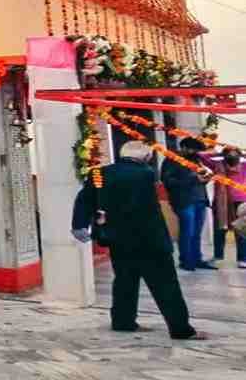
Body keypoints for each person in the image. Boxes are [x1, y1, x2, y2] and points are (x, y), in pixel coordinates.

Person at [72, 140, 202, 339]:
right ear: (146, 157)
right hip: (150, 241)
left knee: (125, 280)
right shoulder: (146, 174)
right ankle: (181, 329)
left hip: (117, 238)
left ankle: (123, 321)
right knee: (166, 285)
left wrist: (79, 224)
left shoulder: (98, 173)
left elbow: (85, 198)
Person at [161, 137, 216, 271]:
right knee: (188, 231)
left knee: (197, 232)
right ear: (184, 147)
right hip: (184, 201)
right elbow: (168, 181)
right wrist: (192, 178)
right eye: (193, 149)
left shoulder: (197, 159)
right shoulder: (171, 159)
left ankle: (197, 259)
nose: (195, 152)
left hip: (200, 199)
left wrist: (205, 179)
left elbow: (201, 178)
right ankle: (186, 261)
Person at [204, 147, 246, 268]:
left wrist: (240, 154)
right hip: (221, 202)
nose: (232, 157)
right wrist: (222, 153)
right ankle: (218, 257)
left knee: (241, 229)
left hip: (241, 201)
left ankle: (243, 259)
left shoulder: (244, 166)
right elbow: (201, 156)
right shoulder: (218, 164)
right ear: (224, 156)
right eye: (229, 154)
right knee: (220, 230)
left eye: (235, 154)